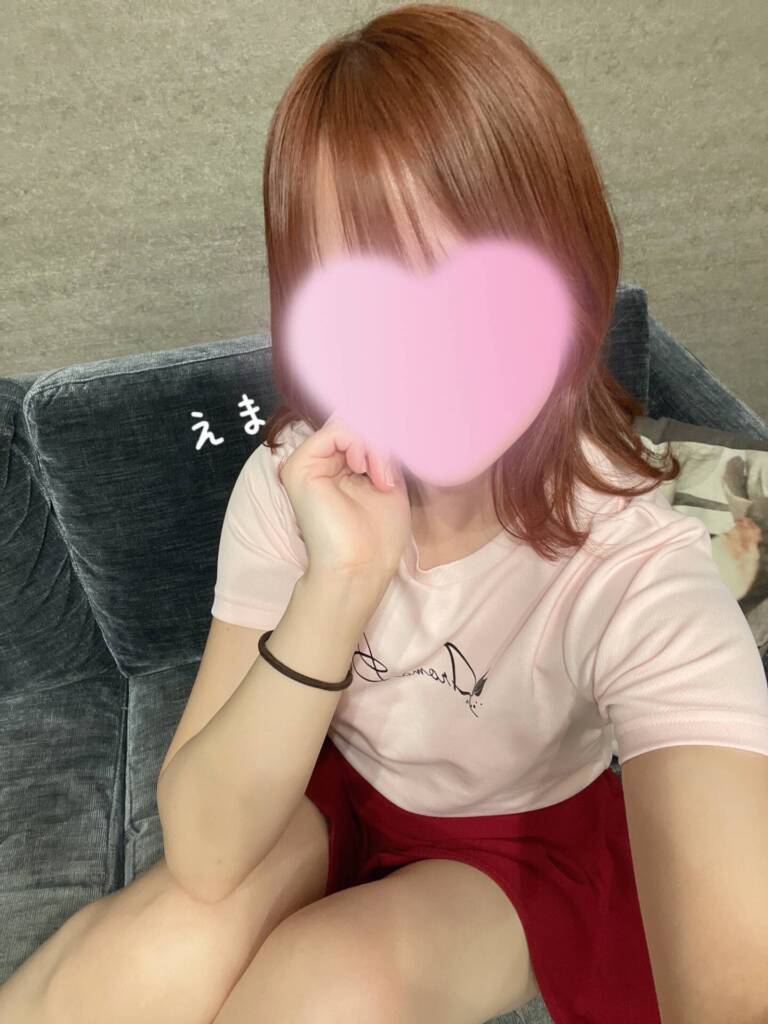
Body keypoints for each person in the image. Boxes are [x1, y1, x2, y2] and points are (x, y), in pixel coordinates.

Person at [3, 5, 767, 1024]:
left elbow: (733, 971)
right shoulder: (292, 482)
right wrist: (342, 580)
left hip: (523, 842)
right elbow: (207, 849)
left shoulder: (633, 563)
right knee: (146, 954)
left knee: (324, 989)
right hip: (339, 784)